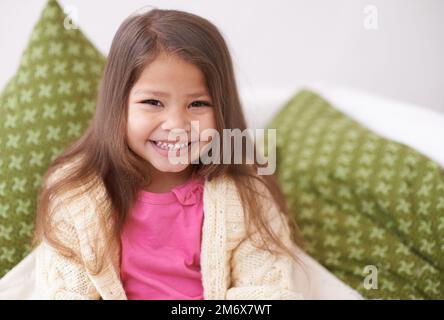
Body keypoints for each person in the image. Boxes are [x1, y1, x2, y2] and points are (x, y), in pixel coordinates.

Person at [31, 8, 306, 300]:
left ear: (223, 109)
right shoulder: (77, 196)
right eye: (153, 102)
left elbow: (267, 293)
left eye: (198, 104)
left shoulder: (248, 196)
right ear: (118, 105)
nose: (176, 125)